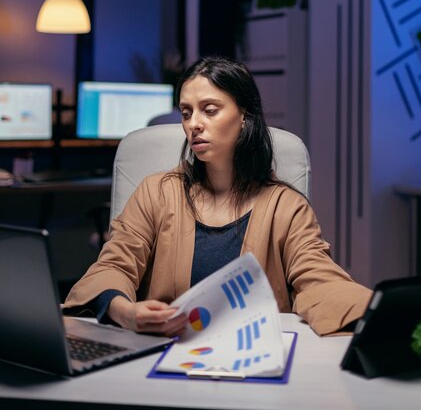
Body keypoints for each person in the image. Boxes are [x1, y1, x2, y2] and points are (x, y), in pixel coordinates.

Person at [64, 56, 371, 337]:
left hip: (254, 364)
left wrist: (382, 312)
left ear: (244, 117)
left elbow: (319, 280)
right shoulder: (157, 192)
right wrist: (127, 313)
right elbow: (113, 267)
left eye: (210, 110)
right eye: (187, 112)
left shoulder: (285, 207)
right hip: (163, 355)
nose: (193, 123)